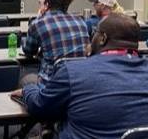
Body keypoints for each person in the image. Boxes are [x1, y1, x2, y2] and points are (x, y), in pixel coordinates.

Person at [12, 13, 148, 139]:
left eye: (95, 33)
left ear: (103, 39)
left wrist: (28, 89)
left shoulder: (73, 71)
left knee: (29, 82)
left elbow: (39, 106)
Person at [23, 0, 89, 84]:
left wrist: (38, 18)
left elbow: (29, 51)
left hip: (52, 82)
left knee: (26, 80)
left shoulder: (38, 23)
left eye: (41, 2)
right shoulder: (81, 21)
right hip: (80, 79)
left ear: (46, 4)